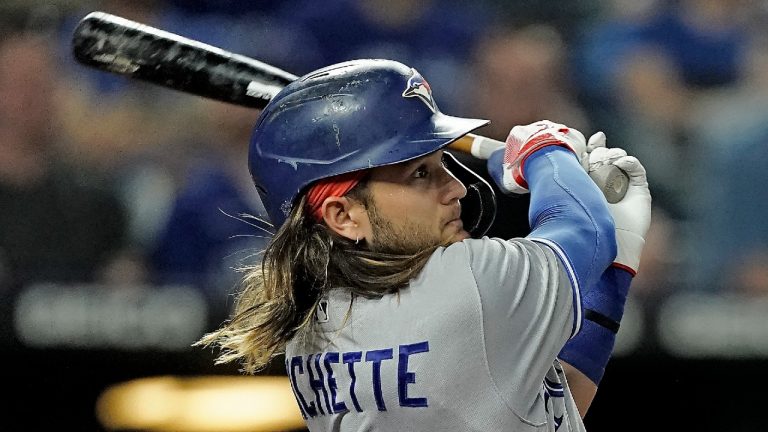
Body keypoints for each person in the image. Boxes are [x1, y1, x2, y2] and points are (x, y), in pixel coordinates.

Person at [198, 59, 651, 431]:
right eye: (420, 173)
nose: (456, 189)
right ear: (342, 215)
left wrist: (616, 270)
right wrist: (545, 149)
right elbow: (585, 229)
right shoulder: (463, 285)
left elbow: (546, 403)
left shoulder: (310, 326)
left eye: (442, 164)